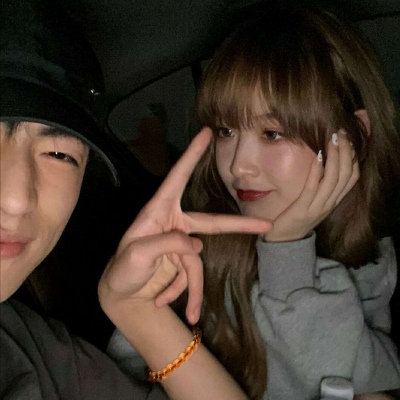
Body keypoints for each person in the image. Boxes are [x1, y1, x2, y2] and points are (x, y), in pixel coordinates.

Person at [107, 6, 400, 400]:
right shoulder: (190, 245)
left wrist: (288, 253)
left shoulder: (371, 250)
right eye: (226, 131)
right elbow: (121, 379)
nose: (238, 166)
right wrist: (286, 250)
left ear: (351, 136)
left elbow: (361, 377)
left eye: (272, 133)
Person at [0, 0, 273, 399]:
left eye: (59, 154)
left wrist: (134, 309)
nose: (16, 200)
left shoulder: (32, 351)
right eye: (227, 131)